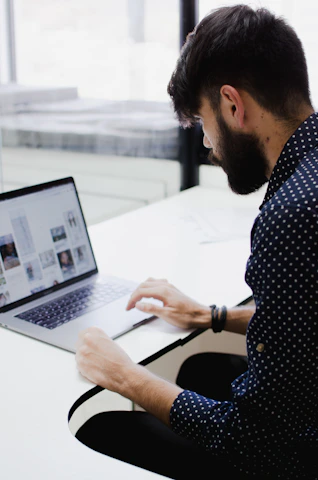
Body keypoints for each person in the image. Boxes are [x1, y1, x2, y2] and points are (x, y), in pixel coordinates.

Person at [75, 5, 317, 479]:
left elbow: (255, 442)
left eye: (204, 124)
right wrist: (211, 316)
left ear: (233, 105)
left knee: (103, 427)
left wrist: (124, 376)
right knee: (201, 369)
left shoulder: (293, 216)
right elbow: (304, 323)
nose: (209, 147)